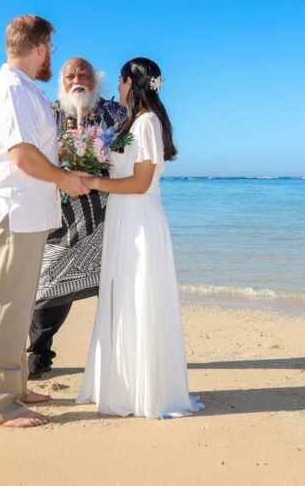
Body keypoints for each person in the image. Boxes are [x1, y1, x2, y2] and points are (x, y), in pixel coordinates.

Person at [0, 14, 90, 428]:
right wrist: (64, 179)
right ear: (40, 48)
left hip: (25, 215)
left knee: (19, 307)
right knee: (6, 308)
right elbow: (21, 154)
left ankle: (16, 387)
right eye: (50, 50)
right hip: (11, 214)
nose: (50, 58)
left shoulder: (23, 89)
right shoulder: (11, 89)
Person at [76, 57, 203, 418]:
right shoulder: (131, 122)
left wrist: (94, 181)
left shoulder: (147, 122)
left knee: (138, 296)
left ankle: (142, 391)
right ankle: (123, 384)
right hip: (122, 216)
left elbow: (140, 182)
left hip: (139, 219)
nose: (117, 87)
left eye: (120, 80)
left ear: (131, 82)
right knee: (122, 297)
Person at [27, 57, 127, 379]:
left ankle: (117, 357)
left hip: (109, 216)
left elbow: (133, 155)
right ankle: (39, 353)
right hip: (60, 216)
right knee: (47, 285)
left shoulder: (116, 114)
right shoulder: (48, 113)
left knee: (115, 287)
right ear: (61, 82)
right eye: (70, 76)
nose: (77, 80)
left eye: (84, 75)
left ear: (96, 81)